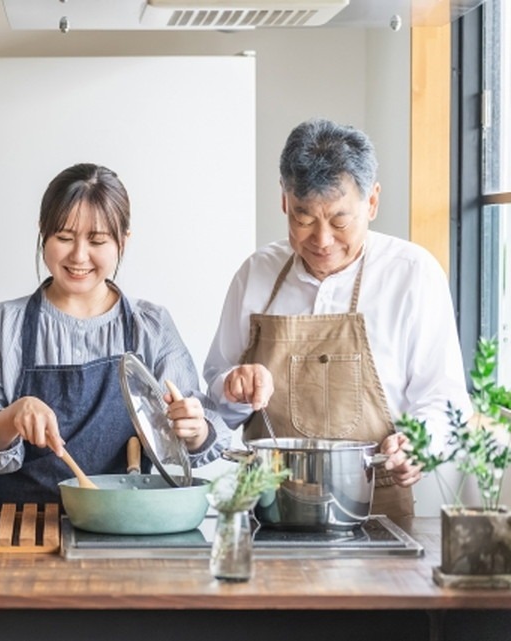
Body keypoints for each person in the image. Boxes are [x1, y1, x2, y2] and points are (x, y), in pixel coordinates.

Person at [202, 118, 472, 522]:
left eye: (340, 220)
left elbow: (445, 397)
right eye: (303, 218)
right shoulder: (256, 274)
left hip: (374, 508)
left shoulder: (412, 273)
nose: (322, 239)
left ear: (373, 202)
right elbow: (216, 398)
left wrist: (419, 445)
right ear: (284, 201)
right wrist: (233, 386)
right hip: (268, 507)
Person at [0, 163, 231, 505]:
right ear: (43, 233)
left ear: (123, 242)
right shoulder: (3, 325)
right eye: (64, 238)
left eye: (97, 240)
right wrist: (11, 417)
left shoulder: (151, 325)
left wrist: (194, 430)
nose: (79, 256)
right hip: (24, 527)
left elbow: (198, 437)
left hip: (125, 524)